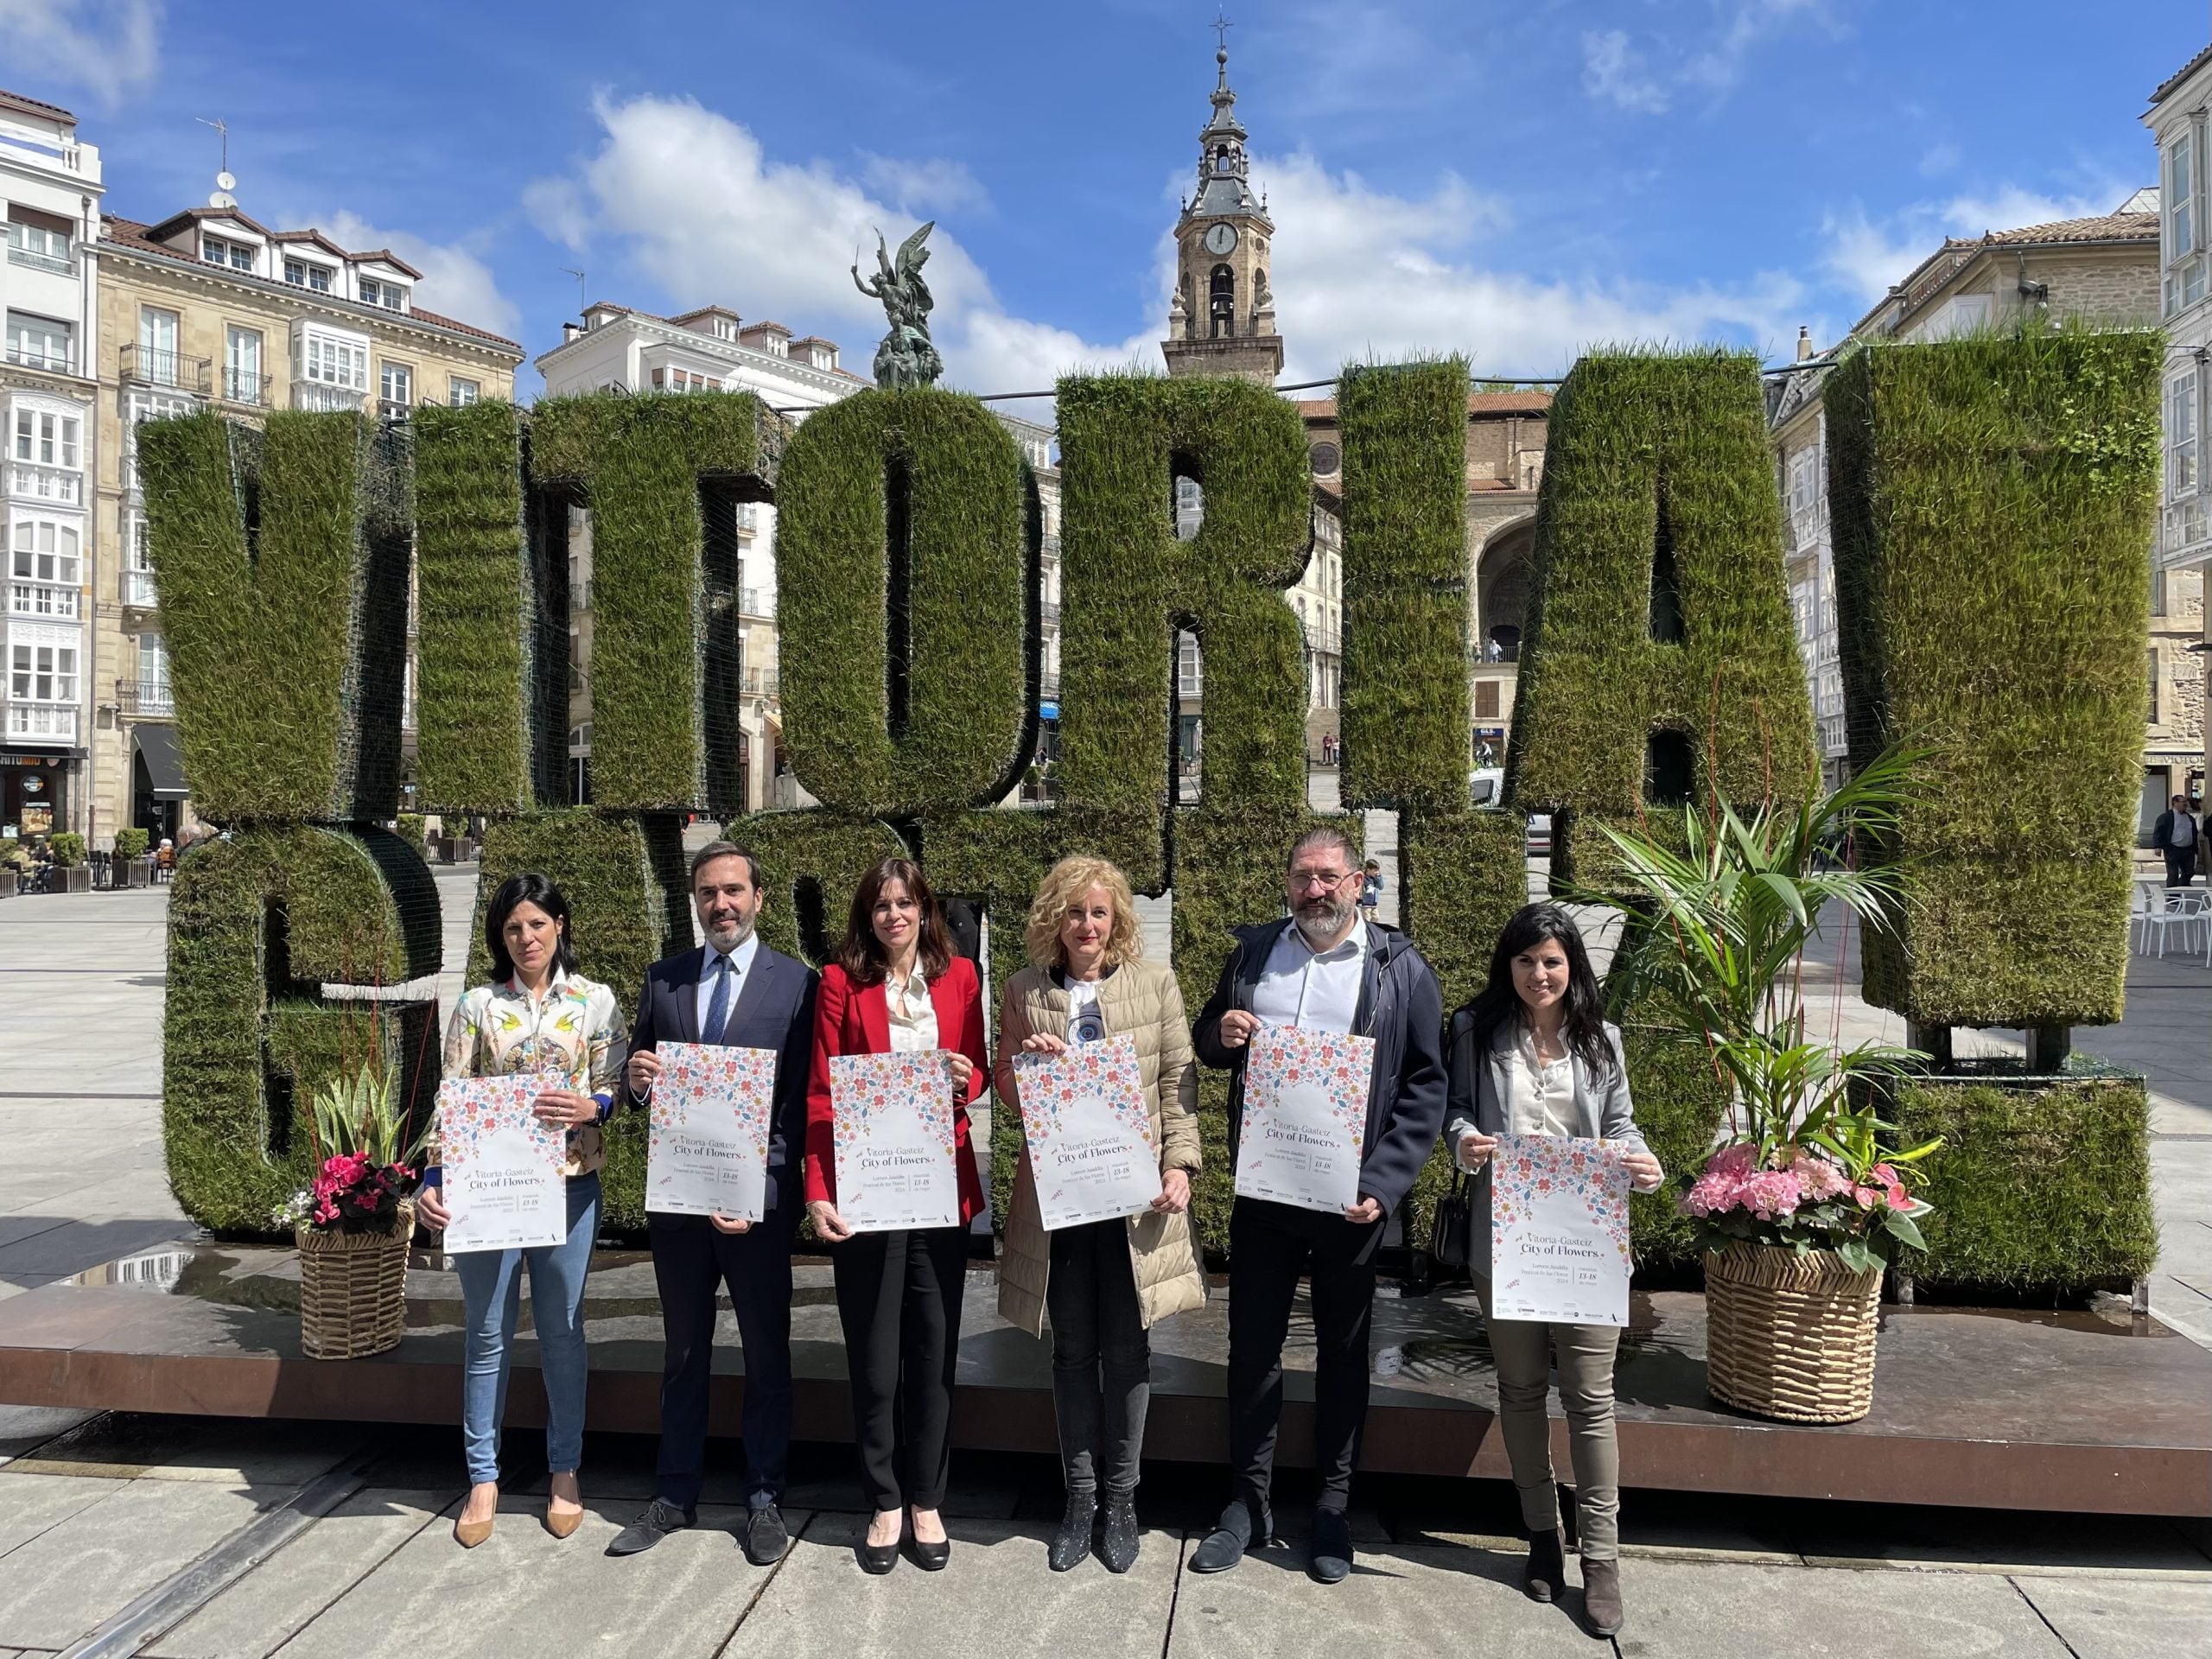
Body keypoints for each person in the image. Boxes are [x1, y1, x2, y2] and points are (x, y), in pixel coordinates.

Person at [1189, 826, 1446, 1585]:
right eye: (1303, 877)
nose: (1317, 890)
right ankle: (1249, 1502)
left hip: (1351, 1202)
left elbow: (1427, 1085)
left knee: (1341, 1355)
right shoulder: (1255, 952)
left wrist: (1385, 1181)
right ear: (1289, 882)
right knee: (1252, 1351)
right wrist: (1221, 1034)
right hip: (1267, 1193)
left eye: (1331, 877)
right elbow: (1208, 1038)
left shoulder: (1399, 967)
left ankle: (1332, 1509)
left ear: (1360, 881)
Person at [1443, 902, 1665, 1639]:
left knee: (1591, 1399)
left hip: (1587, 1246)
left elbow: (1623, 1124)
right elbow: (1454, 1113)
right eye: (1526, 961)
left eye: (1552, 962)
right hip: (1505, 1244)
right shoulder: (1476, 1032)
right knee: (1521, 1388)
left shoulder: (1603, 1040)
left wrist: (1642, 1161)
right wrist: (1466, 1141)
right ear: (1508, 967)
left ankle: (1601, 1556)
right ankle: (1541, 1532)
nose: (1539, 975)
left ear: (1573, 968)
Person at [608, 842, 818, 1566]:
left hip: (754, 1210)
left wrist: (761, 1196)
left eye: (733, 891)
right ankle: (674, 1494)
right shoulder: (664, 981)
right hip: (679, 1209)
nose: (720, 905)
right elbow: (639, 1083)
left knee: (766, 1354)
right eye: (707, 894)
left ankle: (765, 1497)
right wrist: (636, 1080)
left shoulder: (796, 984)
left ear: (758, 897)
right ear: (694, 902)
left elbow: (797, 1109)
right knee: (684, 1353)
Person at [995, 855, 1205, 1574]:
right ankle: (1078, 1499)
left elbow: (1180, 1080)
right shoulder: (1024, 990)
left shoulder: (1155, 985)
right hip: (1060, 1204)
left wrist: (1180, 1165)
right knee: (1070, 1351)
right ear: (1054, 919)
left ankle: (1123, 1499)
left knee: (1128, 1351)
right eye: (1074, 913)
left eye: (1099, 913)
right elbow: (1007, 1092)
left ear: (1116, 921)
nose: (1086, 926)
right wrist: (1029, 1067)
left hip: (1135, 1202)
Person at [416, 873, 627, 1549]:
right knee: (486, 1332)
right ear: (500, 937)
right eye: (513, 928)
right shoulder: (479, 1005)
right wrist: (433, 1178)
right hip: (487, 1191)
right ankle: (484, 1477)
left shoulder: (595, 1002)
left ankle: (565, 1469)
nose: (526, 938)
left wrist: (596, 1105)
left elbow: (614, 1081)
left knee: (563, 1330)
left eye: (537, 924)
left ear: (560, 925)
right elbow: (450, 1097)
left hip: (568, 1186)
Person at [805, 856, 989, 1573]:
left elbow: (976, 1068)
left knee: (935, 1353)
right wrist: (819, 1191)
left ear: (925, 910)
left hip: (940, 1193)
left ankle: (927, 1501)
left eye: (906, 902)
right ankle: (884, 1502)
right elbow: (822, 1094)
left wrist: (965, 1076)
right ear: (867, 914)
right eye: (882, 904)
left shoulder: (961, 978)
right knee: (876, 1360)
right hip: (866, 1193)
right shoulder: (838, 985)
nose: (894, 915)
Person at [2152, 794, 2200, 888]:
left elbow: (2194, 833)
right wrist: (2157, 846)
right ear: (2175, 803)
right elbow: (2158, 832)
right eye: (2183, 802)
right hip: (2173, 849)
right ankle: (2173, 897)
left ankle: (2182, 888)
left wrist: (2195, 849)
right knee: (2173, 874)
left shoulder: (2189, 818)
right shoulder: (2166, 817)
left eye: (2186, 802)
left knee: (2189, 872)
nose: (2186, 804)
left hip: (2188, 849)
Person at [1357, 858, 1383, 922]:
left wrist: (1379, 878)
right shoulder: (1364, 879)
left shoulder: (1375, 879)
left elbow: (1381, 887)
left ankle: (1371, 928)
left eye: (1378, 870)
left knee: (1376, 917)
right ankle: (1367, 930)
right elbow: (1361, 890)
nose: (1377, 872)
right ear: (1368, 870)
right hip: (1366, 904)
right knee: (1367, 919)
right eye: (1375, 870)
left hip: (1374, 904)